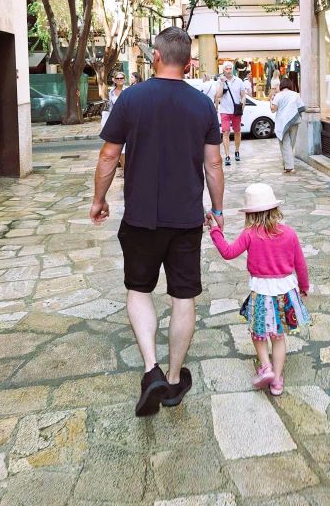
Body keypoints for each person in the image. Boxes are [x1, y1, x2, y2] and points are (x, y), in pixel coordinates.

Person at [90, 27, 225, 417]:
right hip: (185, 220)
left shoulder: (131, 98)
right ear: (188, 62)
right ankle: (173, 375)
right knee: (183, 297)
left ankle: (150, 369)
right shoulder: (202, 106)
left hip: (140, 218)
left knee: (138, 290)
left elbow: (107, 156)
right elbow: (213, 163)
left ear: (156, 58)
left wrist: (99, 200)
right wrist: (216, 211)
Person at [207, 183, 310, 396]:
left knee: (259, 333)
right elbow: (300, 264)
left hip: (261, 293)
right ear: (275, 209)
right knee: (278, 336)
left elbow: (227, 252)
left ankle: (266, 366)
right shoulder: (289, 234)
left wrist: (215, 231)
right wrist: (304, 286)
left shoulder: (249, 234)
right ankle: (277, 380)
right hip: (285, 292)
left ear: (250, 214)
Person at [271, 77, 305, 174]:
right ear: (290, 85)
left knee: (285, 144)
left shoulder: (278, 96)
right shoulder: (295, 95)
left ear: (281, 85)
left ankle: (289, 167)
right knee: (290, 144)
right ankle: (287, 162)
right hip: (294, 122)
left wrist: (271, 101)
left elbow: (273, 109)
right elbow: (302, 108)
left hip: (282, 122)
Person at [216, 61, 246, 166]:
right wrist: (221, 83)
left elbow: (243, 95)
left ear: (232, 69)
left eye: (230, 68)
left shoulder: (239, 81)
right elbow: (218, 95)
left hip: (236, 111)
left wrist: (243, 105)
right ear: (223, 70)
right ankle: (227, 155)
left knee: (237, 132)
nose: (228, 71)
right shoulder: (221, 81)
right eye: (226, 69)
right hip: (224, 111)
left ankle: (237, 151)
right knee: (225, 132)